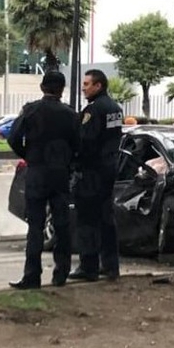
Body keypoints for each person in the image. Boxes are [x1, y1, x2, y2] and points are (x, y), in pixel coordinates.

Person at [8, 71, 79, 289]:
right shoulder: (71, 114)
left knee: (36, 226)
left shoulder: (31, 110)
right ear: (62, 88)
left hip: (37, 172)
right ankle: (61, 273)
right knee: (62, 224)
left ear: (42, 87)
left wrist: (28, 155)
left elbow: (13, 137)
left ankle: (32, 275)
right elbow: (79, 145)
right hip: (60, 174)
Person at [71, 69, 124, 282]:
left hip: (91, 172)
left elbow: (86, 141)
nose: (84, 87)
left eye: (87, 84)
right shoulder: (115, 109)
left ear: (98, 86)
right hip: (109, 169)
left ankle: (89, 266)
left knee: (87, 220)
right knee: (106, 219)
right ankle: (111, 266)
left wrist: (76, 163)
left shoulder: (93, 110)